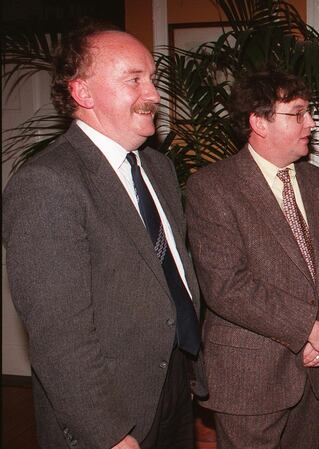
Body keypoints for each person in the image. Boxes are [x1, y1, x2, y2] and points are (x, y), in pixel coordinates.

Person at [2, 23, 203, 449]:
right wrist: (108, 433)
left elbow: (167, 274)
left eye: (151, 78)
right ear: (83, 93)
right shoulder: (47, 182)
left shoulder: (159, 168)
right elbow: (58, 336)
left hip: (171, 384)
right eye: (134, 79)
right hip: (109, 409)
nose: (154, 94)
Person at [184, 70, 319, 449]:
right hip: (250, 378)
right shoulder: (211, 188)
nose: (311, 123)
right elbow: (227, 286)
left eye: (309, 112)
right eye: (298, 113)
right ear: (259, 122)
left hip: (315, 371)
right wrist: (309, 330)